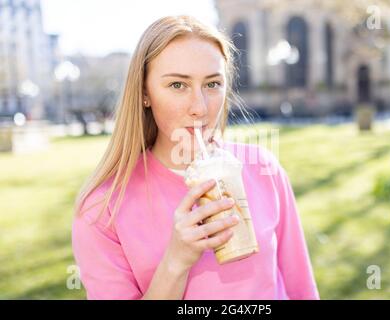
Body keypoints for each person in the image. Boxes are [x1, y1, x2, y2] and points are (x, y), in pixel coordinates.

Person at [72, 15, 319, 300]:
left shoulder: (264, 169)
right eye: (178, 85)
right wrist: (176, 261)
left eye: (212, 84)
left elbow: (302, 290)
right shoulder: (101, 210)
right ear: (144, 92)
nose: (199, 107)